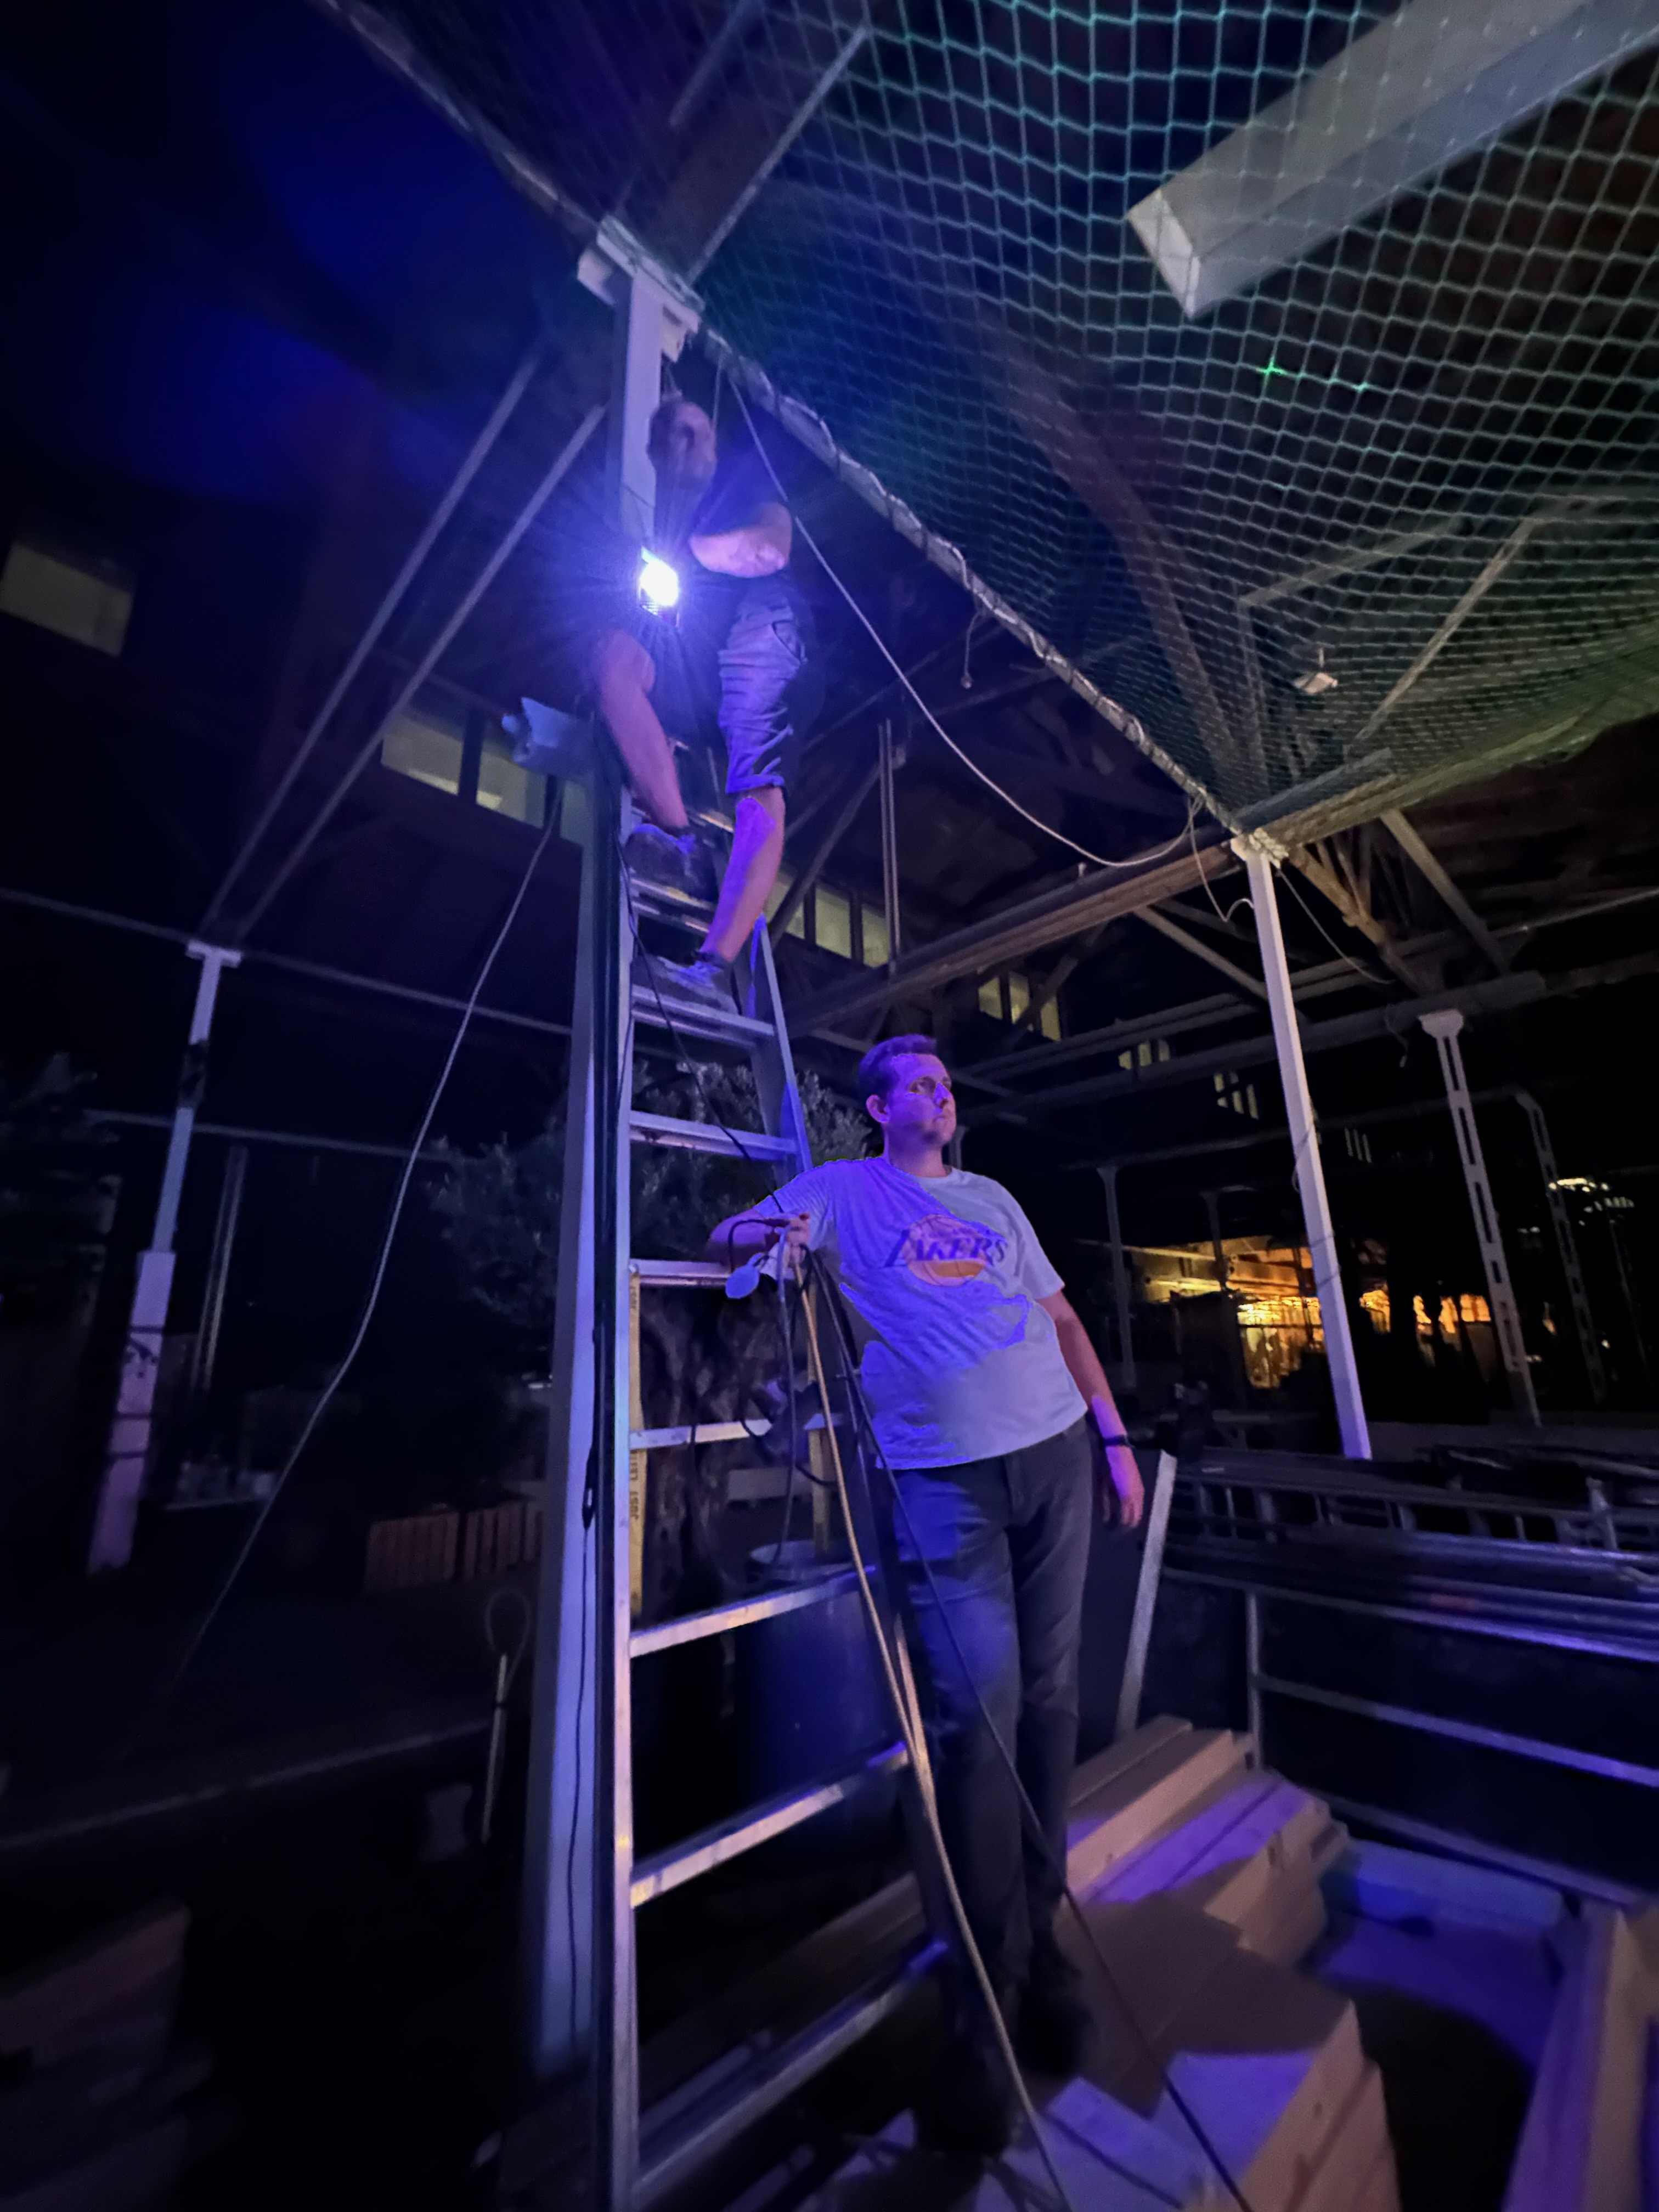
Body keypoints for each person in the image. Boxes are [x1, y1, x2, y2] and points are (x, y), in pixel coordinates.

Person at [706, 1036, 1143, 2148]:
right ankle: (981, 2016)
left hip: (1054, 1455)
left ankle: (1042, 1957)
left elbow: (1063, 1322)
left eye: (947, 1083)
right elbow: (726, 1239)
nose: (942, 1095)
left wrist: (1113, 1439)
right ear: (878, 1108)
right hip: (940, 1484)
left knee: (1048, 1704)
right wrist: (768, 1237)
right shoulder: (841, 1191)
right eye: (919, 1084)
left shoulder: (992, 1198)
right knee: (975, 1727)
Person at [591, 393, 820, 1009]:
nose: (685, 443)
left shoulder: (743, 493)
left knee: (757, 780)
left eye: (696, 432)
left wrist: (690, 558)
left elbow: (772, 550)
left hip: (763, 626)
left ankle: (715, 973)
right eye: (672, 433)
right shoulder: (662, 529)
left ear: (715, 446)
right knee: (612, 658)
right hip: (703, 658)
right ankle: (681, 842)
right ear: (653, 450)